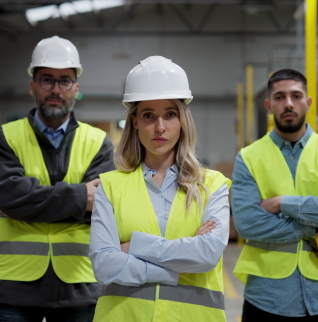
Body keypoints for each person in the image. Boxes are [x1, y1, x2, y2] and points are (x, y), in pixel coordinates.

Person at [89, 56, 231, 321]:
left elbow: (207, 255)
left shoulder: (212, 185)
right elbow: (104, 265)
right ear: (134, 122)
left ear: (182, 120)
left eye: (170, 114)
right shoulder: (110, 185)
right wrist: (174, 269)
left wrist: (133, 246)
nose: (160, 127)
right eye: (148, 115)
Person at [0, 35, 115, 322]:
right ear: (33, 86)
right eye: (47, 80)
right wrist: (80, 198)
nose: (56, 89)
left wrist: (33, 203)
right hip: (17, 287)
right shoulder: (5, 138)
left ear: (76, 88)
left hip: (78, 285)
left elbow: (103, 209)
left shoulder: (99, 143)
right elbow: (9, 197)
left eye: (64, 81)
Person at [231, 68, 318, 321]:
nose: (288, 103)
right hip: (268, 293)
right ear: (269, 105)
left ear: (308, 102)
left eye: (296, 95)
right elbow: (247, 223)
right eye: (279, 97)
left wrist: (282, 203)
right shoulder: (249, 157)